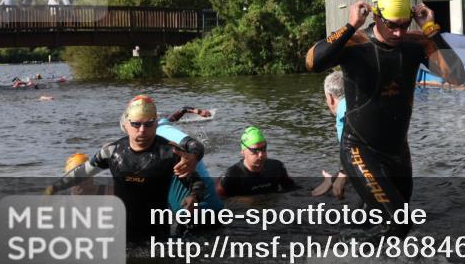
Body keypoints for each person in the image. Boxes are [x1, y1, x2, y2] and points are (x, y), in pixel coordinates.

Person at [305, 0, 465, 238]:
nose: (398, 32)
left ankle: (357, 256)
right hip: (359, 148)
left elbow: (458, 77)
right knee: (399, 223)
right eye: (392, 25)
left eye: (404, 25)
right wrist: (349, 25)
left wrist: (430, 29)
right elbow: (312, 62)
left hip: (397, 153)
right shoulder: (355, 42)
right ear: (376, 17)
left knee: (377, 220)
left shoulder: (415, 43)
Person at [46, 95, 205, 240]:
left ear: (156, 123)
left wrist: (194, 197)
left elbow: (197, 183)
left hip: (157, 233)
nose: (142, 130)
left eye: (148, 124)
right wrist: (54, 187)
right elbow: (83, 171)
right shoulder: (112, 151)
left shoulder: (170, 152)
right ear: (126, 124)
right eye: (136, 124)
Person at [157, 106, 224, 212]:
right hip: (209, 201)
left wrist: (194, 157)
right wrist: (198, 111)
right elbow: (180, 112)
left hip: (198, 201)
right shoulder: (162, 123)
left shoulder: (162, 129)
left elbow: (196, 145)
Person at [217, 126, 295, 198]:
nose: (261, 155)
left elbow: (293, 190)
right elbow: (215, 203)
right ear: (243, 152)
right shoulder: (230, 176)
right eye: (255, 150)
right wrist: (241, 201)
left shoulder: (277, 167)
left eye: (263, 149)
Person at [312, 70, 348, 199]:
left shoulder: (345, 111)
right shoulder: (358, 105)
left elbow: (357, 145)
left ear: (331, 98)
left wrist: (343, 175)